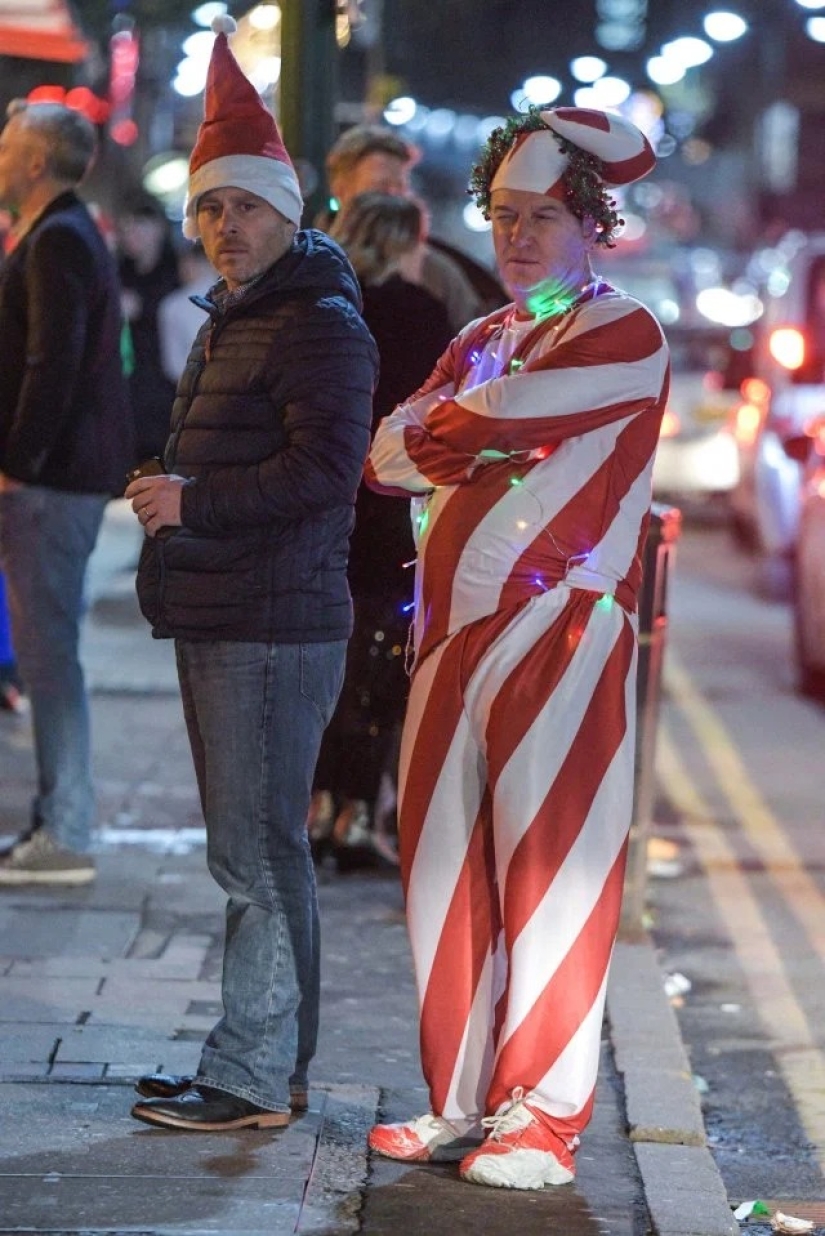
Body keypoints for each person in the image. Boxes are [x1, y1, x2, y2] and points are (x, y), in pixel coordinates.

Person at [364, 106, 670, 1189]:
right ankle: (461, 1100)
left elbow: (458, 428)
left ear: (592, 224)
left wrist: (468, 432)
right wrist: (474, 432)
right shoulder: (479, 337)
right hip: (449, 631)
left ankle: (539, 1121)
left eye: (543, 216)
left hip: (565, 626)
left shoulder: (624, 326)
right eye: (503, 216)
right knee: (446, 870)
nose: (518, 238)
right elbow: (391, 452)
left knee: (548, 872)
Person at [125, 15, 377, 1133]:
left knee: (256, 857)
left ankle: (249, 1075)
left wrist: (195, 501)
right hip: (232, 608)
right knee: (260, 851)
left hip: (273, 622)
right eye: (211, 210)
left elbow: (326, 473)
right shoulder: (243, 314)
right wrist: (170, 480)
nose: (226, 228)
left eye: (246, 208)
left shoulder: (317, 320)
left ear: (291, 213)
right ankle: (268, 1063)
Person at [0, 99, 133, 885]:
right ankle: (57, 820)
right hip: (55, 479)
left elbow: (55, 360)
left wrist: (20, 460)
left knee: (50, 658)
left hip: (50, 484)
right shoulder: (61, 233)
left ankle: (66, 828)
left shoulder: (57, 239)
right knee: (48, 654)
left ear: (35, 162)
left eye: (8, 145)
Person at [309, 192, 453, 869]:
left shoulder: (323, 304)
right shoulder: (422, 313)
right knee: (376, 669)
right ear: (402, 244)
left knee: (325, 669)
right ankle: (354, 816)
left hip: (324, 501)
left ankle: (315, 809)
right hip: (387, 505)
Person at [320, 123, 498, 332]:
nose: (395, 198)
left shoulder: (436, 272)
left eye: (401, 187)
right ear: (340, 189)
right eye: (381, 188)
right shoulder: (311, 263)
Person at [116, 193, 181, 460]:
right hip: (124, 385)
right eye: (126, 225)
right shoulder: (118, 272)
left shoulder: (175, 274)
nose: (131, 232)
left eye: (139, 224)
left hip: (163, 386)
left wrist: (141, 308)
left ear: (159, 228)